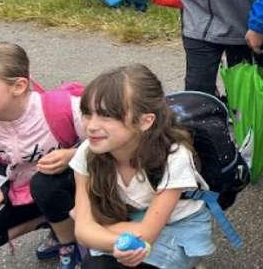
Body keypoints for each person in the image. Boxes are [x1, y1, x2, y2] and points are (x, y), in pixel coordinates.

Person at [71, 64, 215, 269]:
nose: (91, 126)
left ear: (145, 121)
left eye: (106, 115)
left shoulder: (173, 156)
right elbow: (82, 231)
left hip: (176, 225)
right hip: (129, 225)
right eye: (87, 113)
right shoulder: (87, 152)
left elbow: (147, 234)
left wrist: (98, 229)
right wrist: (116, 243)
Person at [0, 42, 82, 266]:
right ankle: (49, 222)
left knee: (45, 184)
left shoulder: (63, 108)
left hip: (77, 186)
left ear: (19, 86)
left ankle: (71, 239)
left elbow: (116, 142)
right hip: (23, 193)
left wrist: (74, 155)